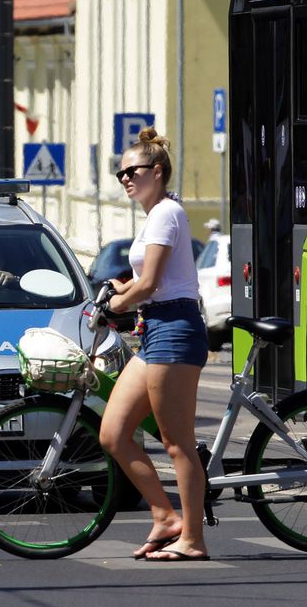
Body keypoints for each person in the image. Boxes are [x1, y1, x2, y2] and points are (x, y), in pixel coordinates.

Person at [99, 127, 210, 562]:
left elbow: (151, 284)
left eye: (133, 170)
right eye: (120, 172)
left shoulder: (167, 212)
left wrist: (116, 303)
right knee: (113, 432)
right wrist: (117, 288)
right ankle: (165, 516)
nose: (126, 178)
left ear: (157, 172)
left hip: (176, 327)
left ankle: (194, 538)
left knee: (176, 441)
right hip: (155, 331)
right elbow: (144, 280)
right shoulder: (153, 217)